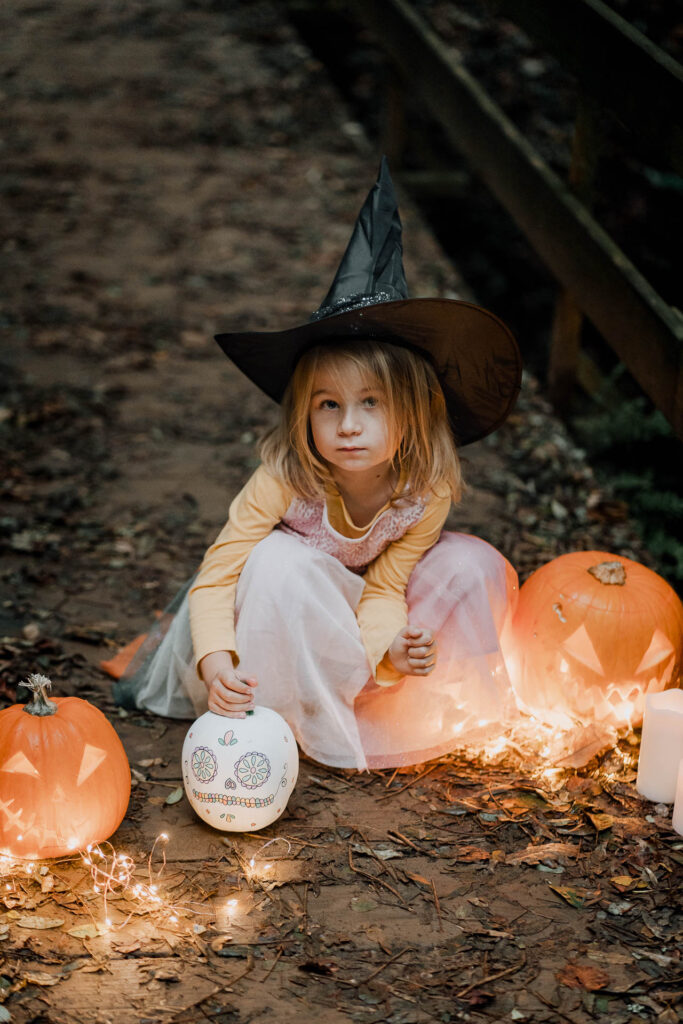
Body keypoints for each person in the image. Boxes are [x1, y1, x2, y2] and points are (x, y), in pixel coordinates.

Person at [113, 158, 522, 771]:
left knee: (470, 561)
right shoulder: (287, 477)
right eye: (327, 405)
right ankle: (279, 715)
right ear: (304, 413)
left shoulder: (423, 490)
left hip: (348, 610)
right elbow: (219, 577)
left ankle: (357, 701)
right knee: (283, 561)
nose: (348, 425)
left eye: (371, 404)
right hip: (270, 614)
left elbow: (385, 586)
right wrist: (216, 660)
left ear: (414, 411)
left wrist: (388, 651)